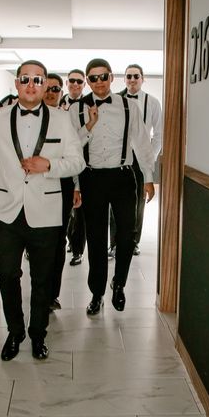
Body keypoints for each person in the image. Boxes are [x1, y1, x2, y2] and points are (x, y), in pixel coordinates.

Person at [0, 60, 85, 361]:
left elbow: (78, 163)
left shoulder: (62, 120)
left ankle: (38, 334)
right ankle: (15, 332)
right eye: (25, 78)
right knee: (8, 274)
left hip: (47, 213)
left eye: (38, 80)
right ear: (16, 83)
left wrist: (49, 165)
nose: (32, 84)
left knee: (42, 279)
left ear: (45, 84)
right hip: (5, 213)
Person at [69, 58, 155, 315]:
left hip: (122, 176)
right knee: (96, 238)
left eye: (103, 76)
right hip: (91, 177)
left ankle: (119, 284)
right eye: (92, 78)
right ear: (87, 80)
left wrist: (149, 178)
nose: (99, 82)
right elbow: (72, 148)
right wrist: (89, 126)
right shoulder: (77, 109)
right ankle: (97, 293)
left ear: (111, 77)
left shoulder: (129, 106)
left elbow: (141, 143)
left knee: (126, 235)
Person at [108, 64, 164, 257]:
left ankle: (133, 242)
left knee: (138, 202)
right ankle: (114, 243)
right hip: (117, 159)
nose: (132, 80)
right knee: (115, 202)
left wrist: (149, 158)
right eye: (129, 76)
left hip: (141, 160)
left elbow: (159, 134)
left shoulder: (153, 102)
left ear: (142, 78)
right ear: (124, 79)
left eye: (136, 76)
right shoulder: (113, 101)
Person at [43, 74, 82, 311]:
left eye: (55, 88)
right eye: (46, 88)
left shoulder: (68, 119)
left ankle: (51, 295)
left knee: (58, 241)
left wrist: (77, 186)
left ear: (61, 92)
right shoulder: (20, 117)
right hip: (31, 186)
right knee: (38, 242)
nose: (50, 92)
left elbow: (75, 155)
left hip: (63, 184)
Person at [60, 69, 87, 266]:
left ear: (84, 84)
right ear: (66, 82)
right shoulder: (58, 104)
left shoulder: (89, 106)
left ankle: (78, 250)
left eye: (79, 81)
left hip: (82, 162)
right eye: (72, 81)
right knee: (63, 208)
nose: (75, 84)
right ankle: (68, 240)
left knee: (80, 212)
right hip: (59, 164)